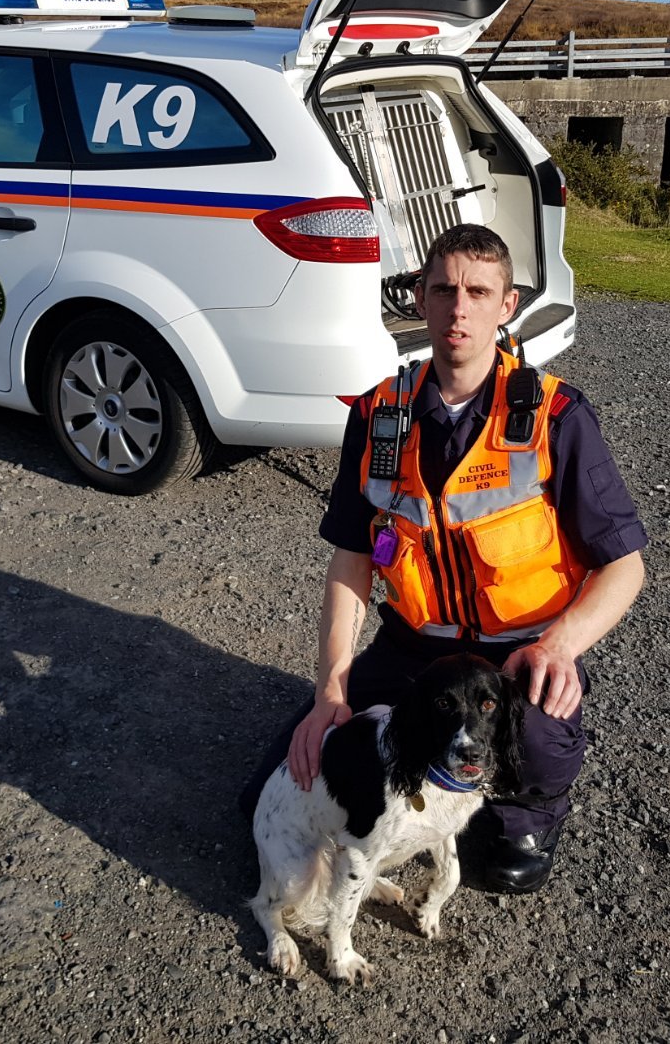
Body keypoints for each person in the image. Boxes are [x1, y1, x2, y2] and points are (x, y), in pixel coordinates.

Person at [242, 223, 648, 894]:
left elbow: (625, 564)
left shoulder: (557, 416)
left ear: (506, 305)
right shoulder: (378, 416)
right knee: (271, 800)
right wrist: (330, 694)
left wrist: (560, 647)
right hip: (411, 650)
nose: (459, 308)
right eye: (444, 290)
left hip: (517, 652)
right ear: (421, 302)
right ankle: (418, 783)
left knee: (535, 755)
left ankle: (528, 811)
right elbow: (351, 561)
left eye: (478, 291)